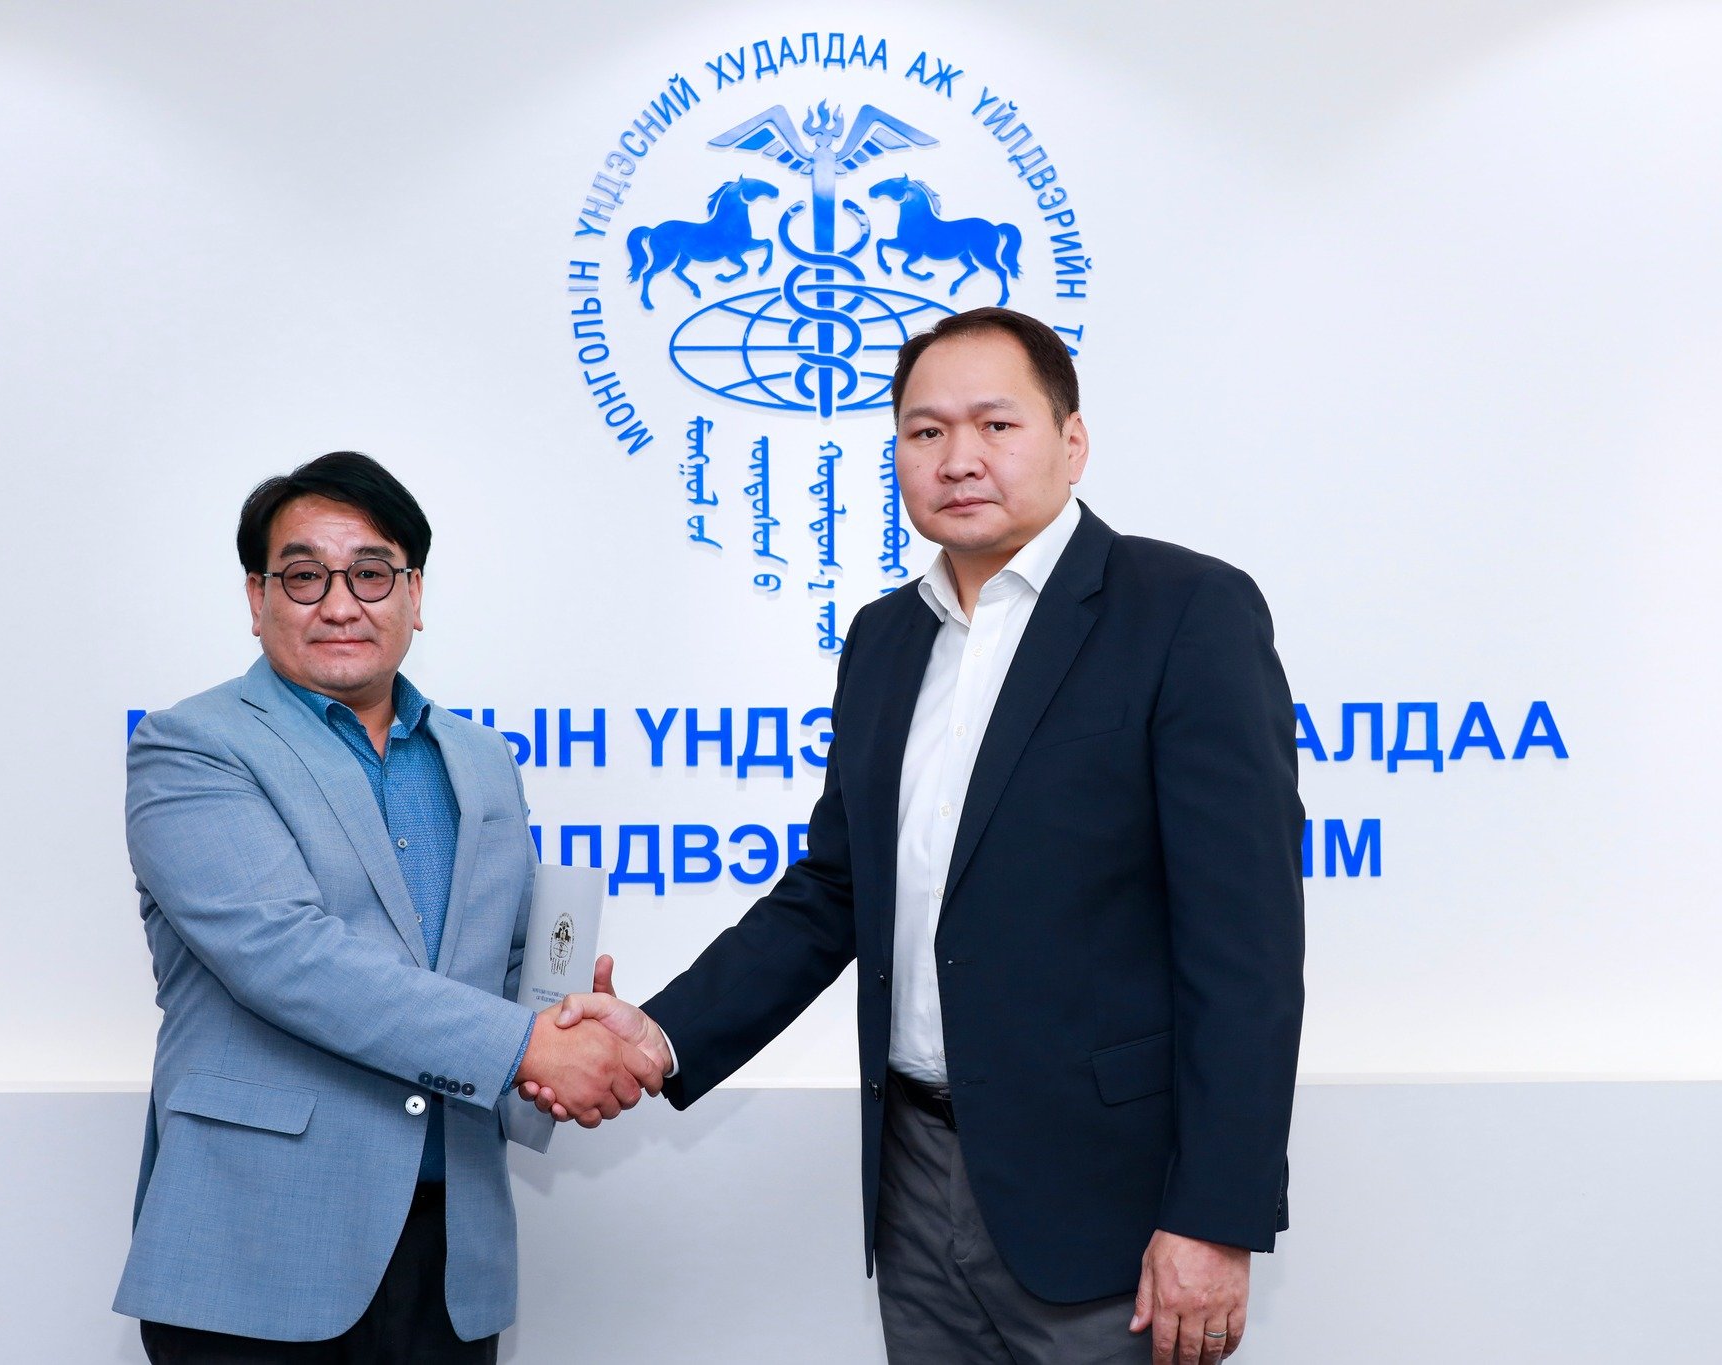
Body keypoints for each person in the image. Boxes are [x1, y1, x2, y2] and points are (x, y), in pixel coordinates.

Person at [529, 309, 1306, 1365]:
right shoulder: (885, 638)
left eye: (996, 424)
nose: (959, 458)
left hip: (1109, 1200)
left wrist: (1213, 1215)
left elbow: (1245, 943)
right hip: (912, 1178)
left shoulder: (1184, 611)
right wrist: (659, 1034)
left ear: (1072, 441)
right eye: (925, 431)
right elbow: (833, 892)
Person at [115, 452, 661, 1363]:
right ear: (257, 597)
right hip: (257, 1247)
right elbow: (288, 957)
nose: (340, 604)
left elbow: (512, 959)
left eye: (371, 573)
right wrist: (532, 1048)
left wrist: (572, 1019)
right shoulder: (192, 747)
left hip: (451, 1252)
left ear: (414, 593)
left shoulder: (481, 759)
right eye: (304, 576)